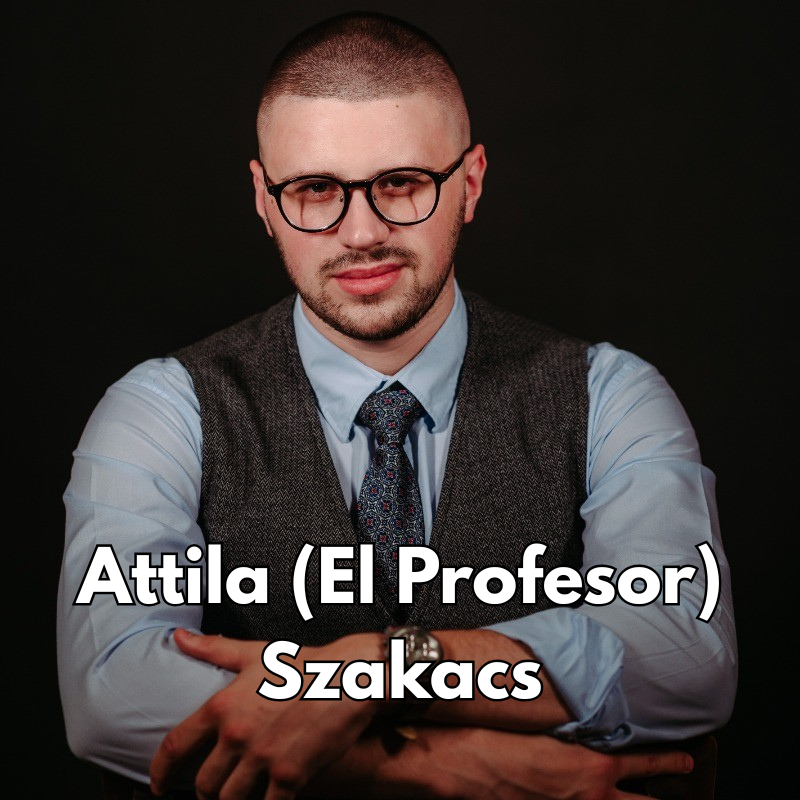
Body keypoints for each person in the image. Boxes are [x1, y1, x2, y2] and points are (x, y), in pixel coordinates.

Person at [57, 11, 737, 800]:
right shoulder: (160, 409)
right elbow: (113, 693)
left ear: (470, 182)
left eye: (402, 184)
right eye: (314, 191)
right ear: (263, 198)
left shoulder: (611, 394)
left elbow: (683, 656)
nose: (362, 232)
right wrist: (441, 772)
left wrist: (380, 671)